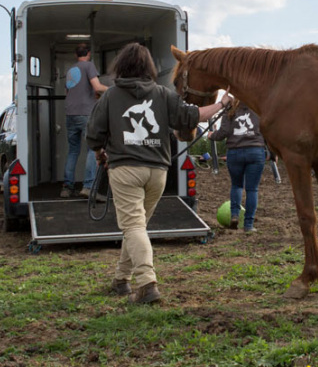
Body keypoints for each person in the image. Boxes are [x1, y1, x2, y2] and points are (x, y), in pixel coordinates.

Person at [87, 42, 231, 304]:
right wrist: (222, 103)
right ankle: (121, 279)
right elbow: (193, 116)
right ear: (148, 68)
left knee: (133, 226)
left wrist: (100, 154)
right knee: (137, 227)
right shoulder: (163, 94)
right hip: (157, 173)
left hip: (125, 170)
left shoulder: (110, 96)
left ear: (120, 66)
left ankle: (147, 284)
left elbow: (94, 134)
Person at [208, 100, 266, 233]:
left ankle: (234, 215)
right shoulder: (258, 106)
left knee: (237, 185)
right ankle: (249, 225)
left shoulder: (230, 108)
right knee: (252, 189)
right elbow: (268, 129)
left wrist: (212, 135)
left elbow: (223, 132)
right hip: (255, 151)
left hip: (235, 152)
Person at [62, 43, 108, 199]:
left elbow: (68, 92)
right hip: (85, 113)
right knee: (92, 148)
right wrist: (113, 90)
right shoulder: (88, 66)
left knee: (73, 150)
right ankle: (88, 187)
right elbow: (97, 87)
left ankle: (67, 187)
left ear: (76, 55)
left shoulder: (70, 70)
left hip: (70, 114)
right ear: (88, 53)